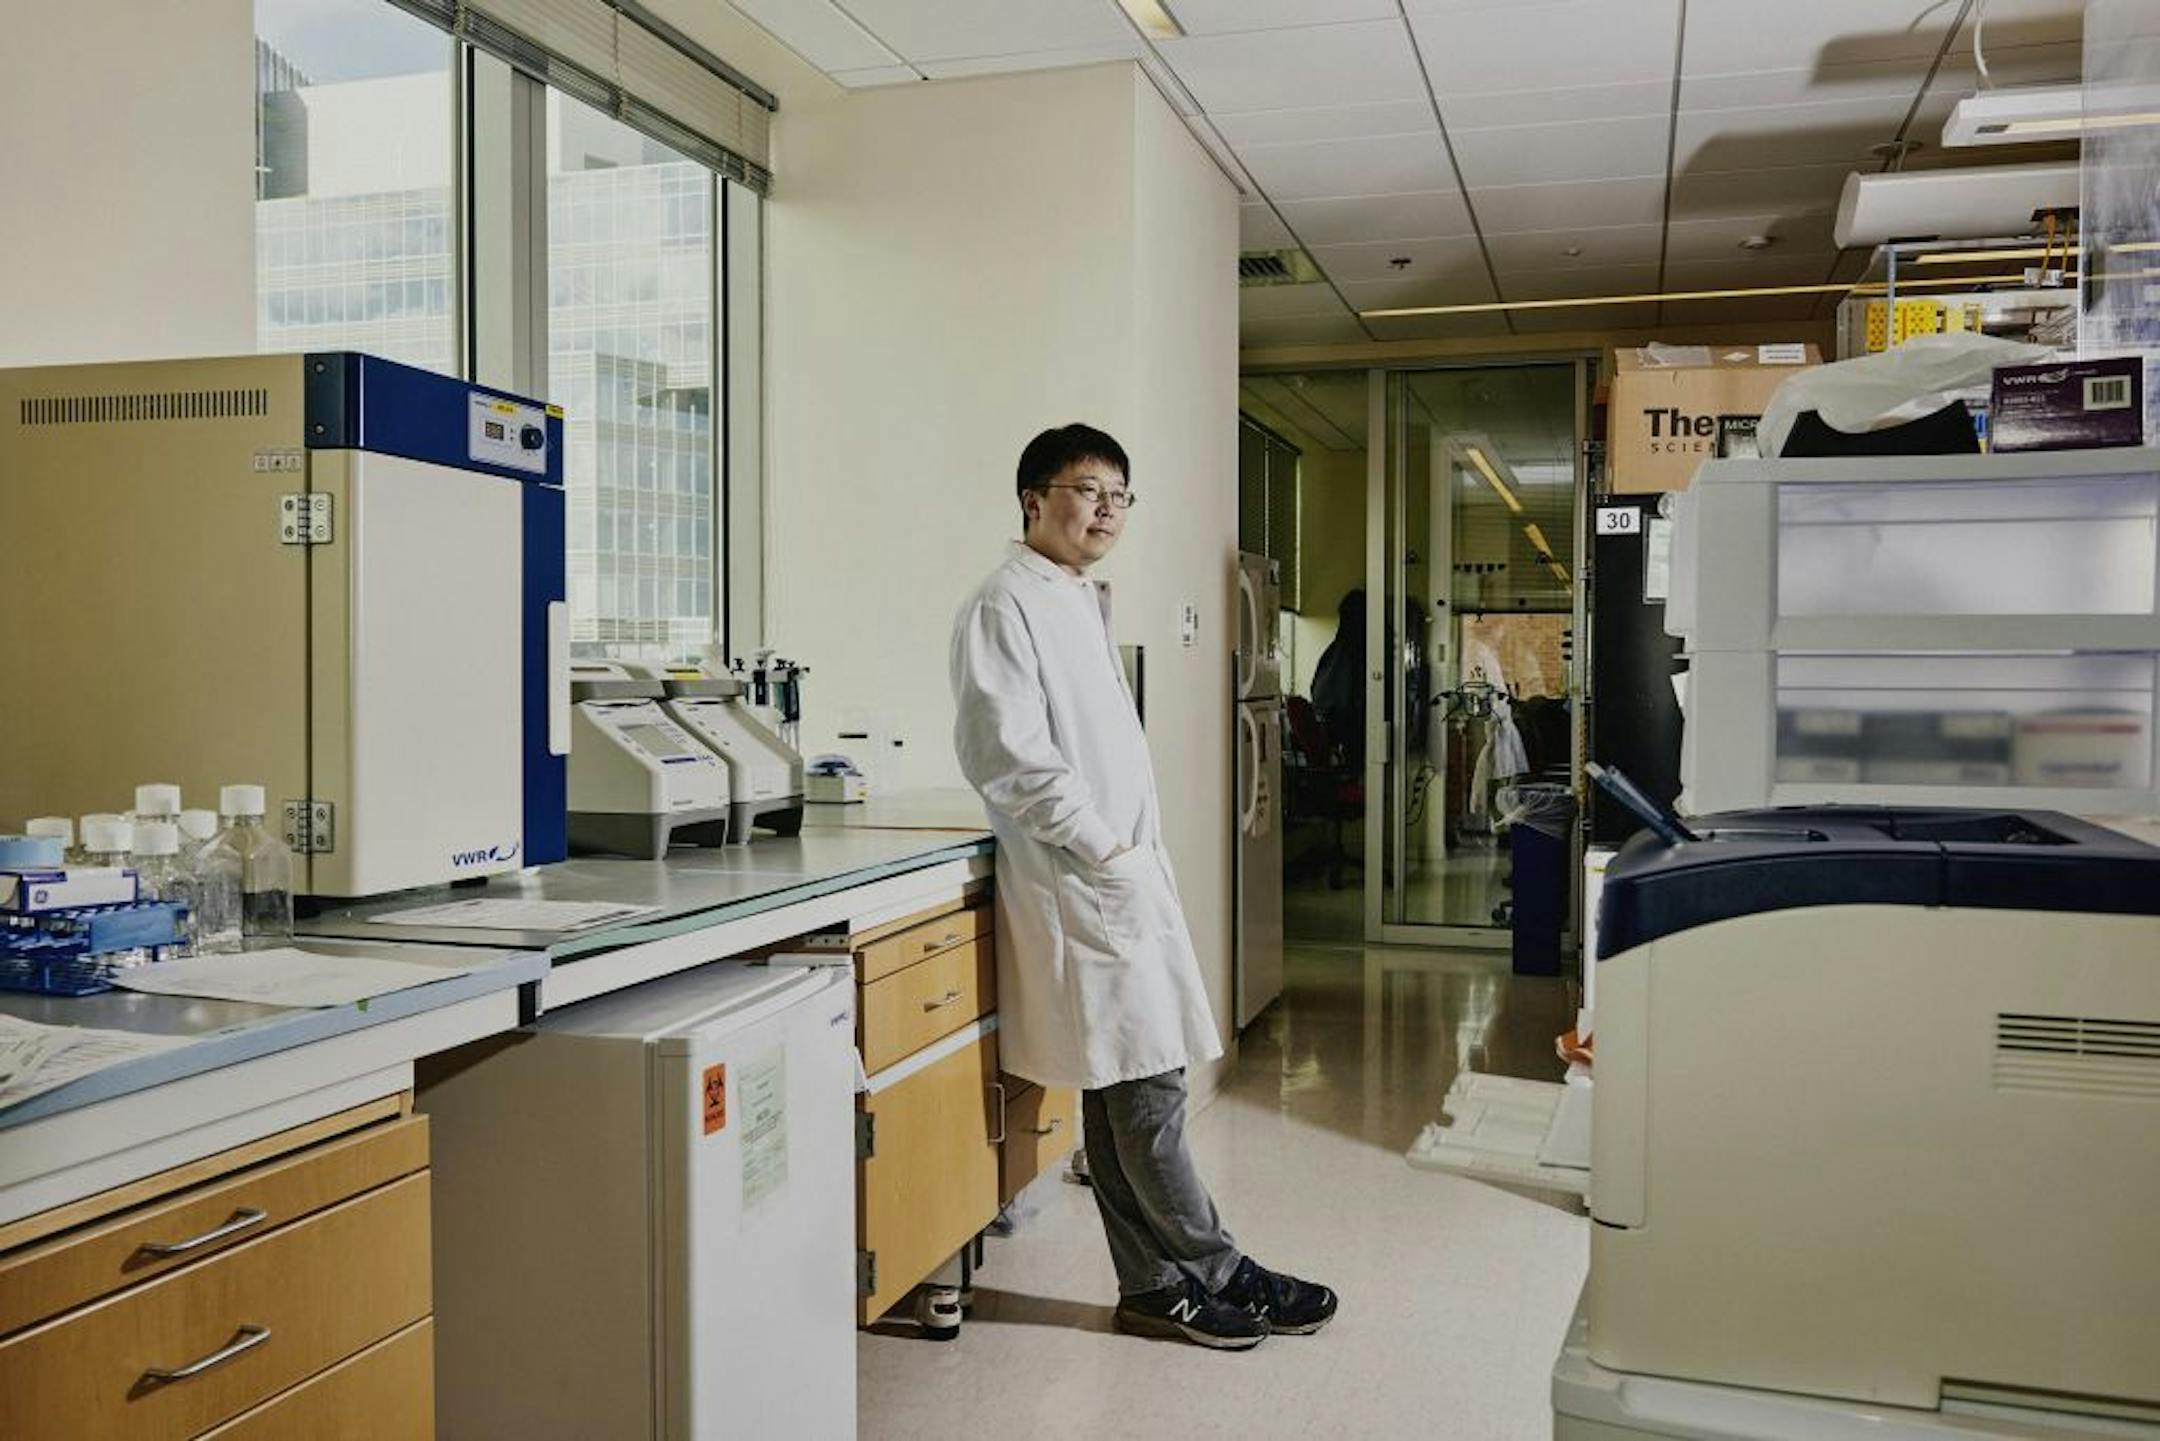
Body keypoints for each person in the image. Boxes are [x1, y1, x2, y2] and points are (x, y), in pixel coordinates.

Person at [949, 422, 1338, 1351]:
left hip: (1113, 881)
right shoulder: (1005, 603)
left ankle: (1153, 1286)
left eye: (1121, 495)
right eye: (1089, 490)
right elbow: (1007, 755)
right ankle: (1218, 1265)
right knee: (1149, 1095)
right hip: (1085, 882)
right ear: (1034, 499)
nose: (1108, 509)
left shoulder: (1078, 596)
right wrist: (1104, 850)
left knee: (1121, 1095)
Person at [1308, 588, 1366, 764]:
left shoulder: (1339, 649)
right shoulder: (1346, 651)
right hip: (1345, 728)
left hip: (1340, 727)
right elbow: (1333, 697)